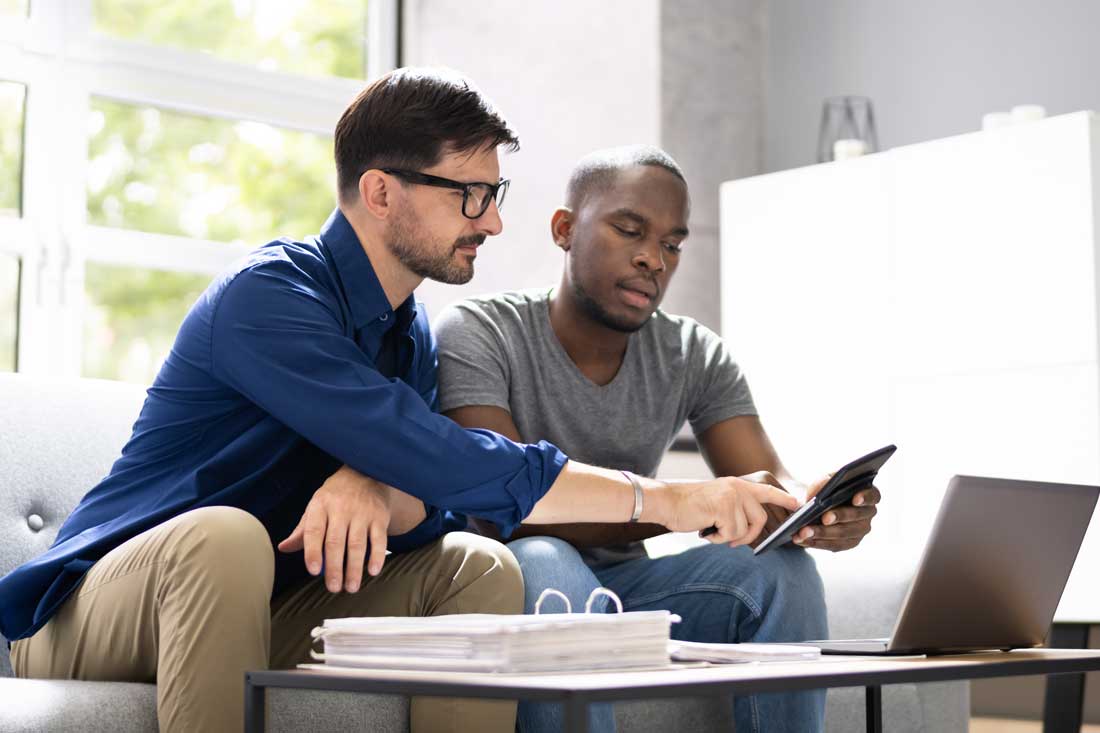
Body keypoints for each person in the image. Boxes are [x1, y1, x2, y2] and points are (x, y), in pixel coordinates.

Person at [0, 74, 799, 733]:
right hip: (90, 612)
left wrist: (373, 481)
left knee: (479, 568)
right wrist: (671, 498)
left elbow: (433, 504)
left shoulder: (409, 332)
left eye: (496, 193)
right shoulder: (268, 298)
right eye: (470, 195)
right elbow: (445, 459)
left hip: (266, 602)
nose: (492, 221)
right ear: (380, 192)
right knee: (226, 536)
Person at [435, 145, 882, 733]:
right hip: (506, 584)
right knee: (546, 560)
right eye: (629, 231)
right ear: (565, 230)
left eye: (672, 245)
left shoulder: (692, 352)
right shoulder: (479, 332)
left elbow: (763, 486)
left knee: (783, 573)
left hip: (631, 589)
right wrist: (684, 506)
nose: (654, 259)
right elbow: (504, 508)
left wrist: (814, 509)